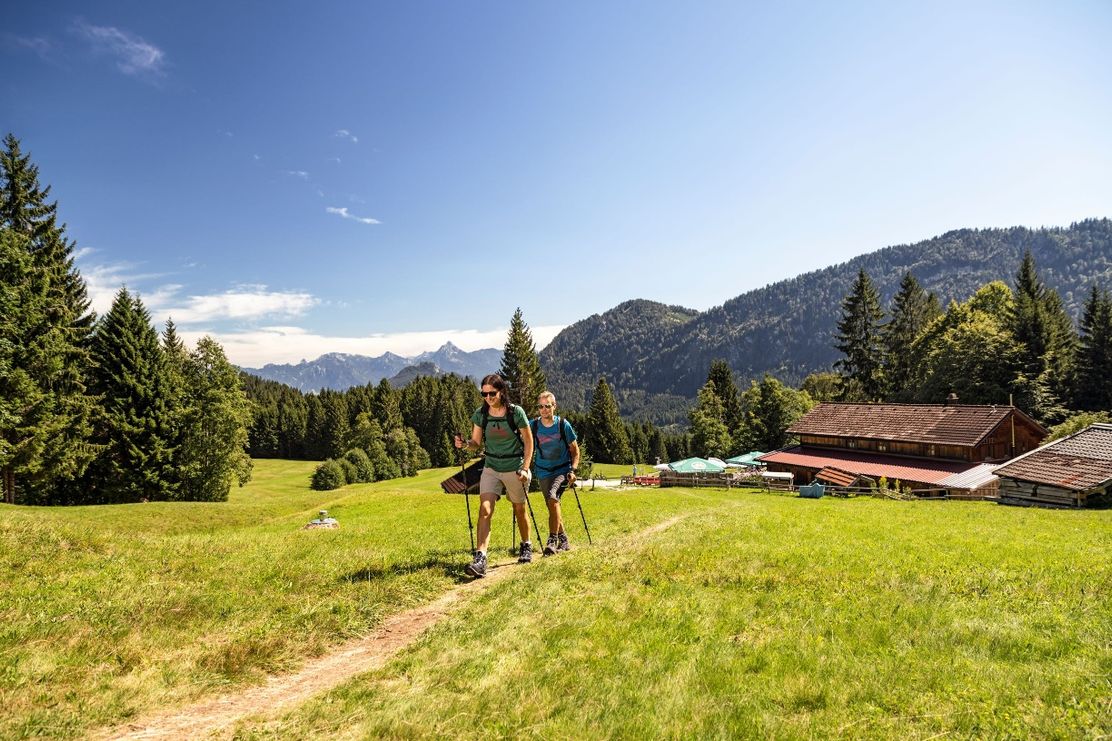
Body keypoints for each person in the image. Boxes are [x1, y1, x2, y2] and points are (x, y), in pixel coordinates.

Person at [454, 373, 534, 578]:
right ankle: (480, 558)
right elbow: (475, 443)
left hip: (515, 466)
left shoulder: (516, 412)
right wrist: (465, 444)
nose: (488, 397)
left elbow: (529, 442)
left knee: (519, 508)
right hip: (491, 466)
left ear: (501, 392)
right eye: (484, 394)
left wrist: (525, 468)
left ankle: (526, 544)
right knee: (485, 509)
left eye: (492, 393)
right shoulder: (481, 414)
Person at [530, 391, 580, 556]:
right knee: (552, 505)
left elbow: (575, 450)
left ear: (554, 406)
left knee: (553, 498)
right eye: (541, 406)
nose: (544, 410)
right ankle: (564, 539)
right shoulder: (533, 426)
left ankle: (552, 541)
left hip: (562, 470)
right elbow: (519, 436)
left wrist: (572, 470)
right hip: (543, 471)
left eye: (547, 406)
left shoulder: (563, 425)